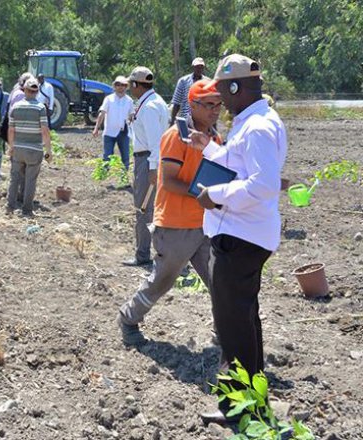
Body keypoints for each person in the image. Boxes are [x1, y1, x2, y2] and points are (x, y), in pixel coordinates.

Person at [188, 55, 287, 426]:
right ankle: (253, 399)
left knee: (233, 327)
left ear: (236, 87)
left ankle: (238, 405)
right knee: (243, 321)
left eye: (222, 95)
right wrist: (208, 149)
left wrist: (216, 194)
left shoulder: (258, 127)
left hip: (241, 238)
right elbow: (238, 163)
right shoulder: (253, 121)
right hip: (243, 234)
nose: (220, 104)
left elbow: (261, 185)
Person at [117, 80, 223, 346]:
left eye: (219, 104)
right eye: (209, 104)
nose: (216, 110)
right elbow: (169, 180)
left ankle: (224, 330)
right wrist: (203, 195)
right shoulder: (177, 136)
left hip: (205, 223)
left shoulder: (214, 137)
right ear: (193, 105)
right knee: (163, 280)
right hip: (176, 224)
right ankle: (129, 318)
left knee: (218, 280)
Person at [124, 66, 169, 267]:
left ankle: (143, 255)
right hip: (151, 159)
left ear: (136, 85)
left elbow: (154, 142)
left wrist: (152, 167)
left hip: (148, 160)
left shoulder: (150, 107)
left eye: (130, 84)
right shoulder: (154, 102)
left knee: (143, 208)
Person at [6, 78, 51, 216]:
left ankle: (10, 207)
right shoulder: (40, 108)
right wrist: (48, 150)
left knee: (14, 178)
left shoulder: (16, 107)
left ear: (24, 90)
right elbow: (44, 130)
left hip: (18, 148)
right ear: (37, 92)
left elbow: (11, 129)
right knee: (30, 180)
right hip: (34, 149)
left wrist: (11, 146)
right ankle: (27, 210)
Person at [92, 76, 134, 169]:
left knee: (125, 156)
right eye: (118, 84)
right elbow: (101, 113)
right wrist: (96, 128)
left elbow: (132, 116)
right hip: (109, 132)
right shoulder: (109, 99)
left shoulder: (129, 100)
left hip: (123, 132)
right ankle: (105, 175)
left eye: (123, 85)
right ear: (114, 86)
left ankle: (124, 176)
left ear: (126, 87)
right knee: (107, 156)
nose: (121, 87)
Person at [170, 57, 209, 124]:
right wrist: (172, 121)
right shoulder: (183, 81)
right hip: (185, 120)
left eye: (201, 67)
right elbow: (176, 103)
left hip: (202, 121)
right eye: (197, 67)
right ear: (193, 67)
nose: (199, 69)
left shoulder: (208, 82)